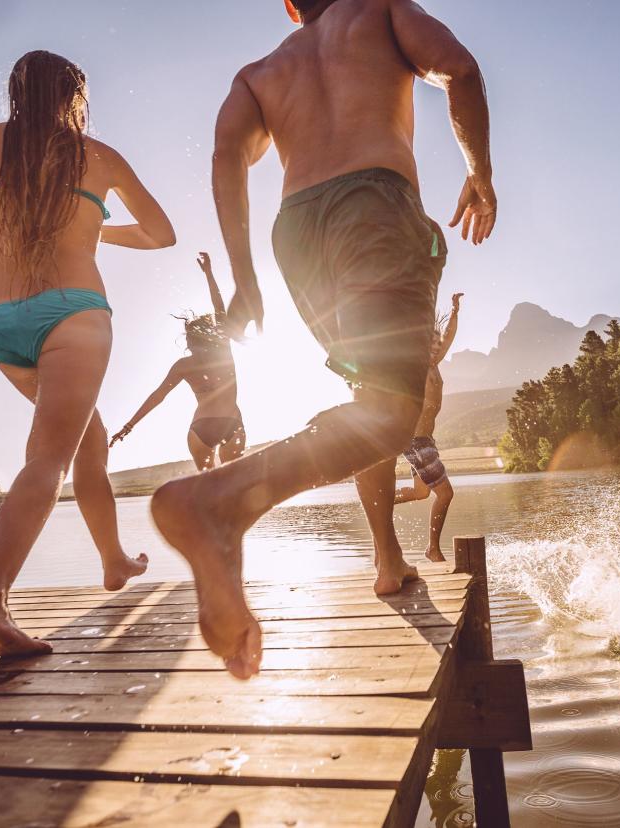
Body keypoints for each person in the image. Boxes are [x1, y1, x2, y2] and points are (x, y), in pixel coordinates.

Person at [150, 0, 496, 679]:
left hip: (296, 231)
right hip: (372, 206)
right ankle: (218, 500)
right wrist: (480, 172)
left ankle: (387, 560)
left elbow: (227, 157)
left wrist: (246, 280)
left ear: (288, 5)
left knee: (370, 401)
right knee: (394, 411)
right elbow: (459, 68)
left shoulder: (260, 73)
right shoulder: (382, 9)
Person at [0, 50, 176, 657]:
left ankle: (115, 560)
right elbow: (161, 233)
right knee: (48, 460)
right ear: (74, 96)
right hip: (73, 314)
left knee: (83, 437)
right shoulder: (97, 155)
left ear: (17, 93)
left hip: (1, 321)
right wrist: (97, 231)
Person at [109, 253, 246, 471]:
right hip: (231, 423)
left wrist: (129, 426)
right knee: (234, 482)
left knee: (207, 486)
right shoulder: (223, 352)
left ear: (190, 340)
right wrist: (209, 274)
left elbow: (158, 396)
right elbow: (219, 309)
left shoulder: (184, 365)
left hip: (201, 427)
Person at [394, 292, 464, 562]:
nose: (436, 349)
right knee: (445, 493)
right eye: (430, 345)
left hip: (425, 441)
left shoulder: (434, 364)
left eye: (437, 345)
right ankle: (433, 548)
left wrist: (455, 312)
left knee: (421, 492)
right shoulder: (417, 366)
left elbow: (448, 338)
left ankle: (379, 501)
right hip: (416, 441)